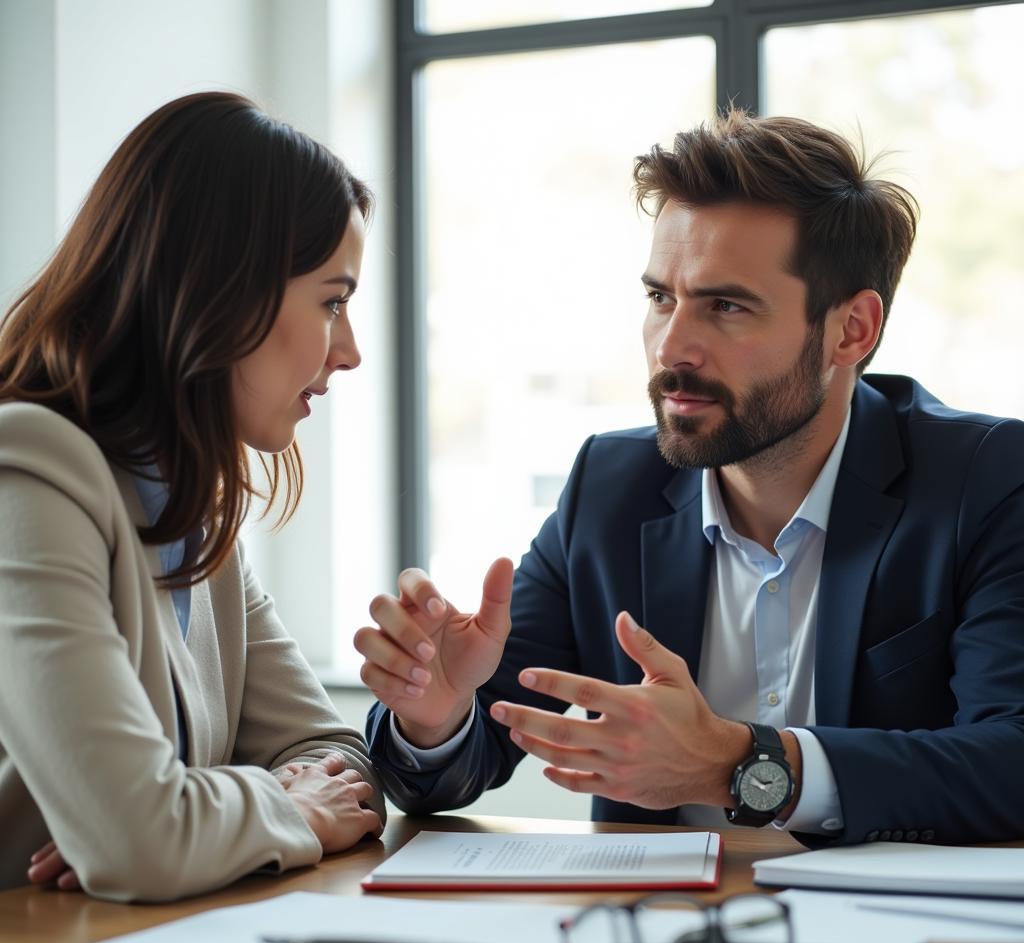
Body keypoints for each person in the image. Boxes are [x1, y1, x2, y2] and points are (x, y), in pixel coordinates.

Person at [356, 108, 1024, 847]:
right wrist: (435, 712)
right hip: (657, 942)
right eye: (660, 298)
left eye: (727, 306)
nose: (672, 346)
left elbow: (1012, 761)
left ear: (851, 329)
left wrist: (742, 766)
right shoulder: (610, 486)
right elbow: (447, 773)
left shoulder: (984, 482)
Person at [0, 92, 385, 901]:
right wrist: (187, 821)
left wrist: (192, 823)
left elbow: (340, 761)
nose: (348, 352)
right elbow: (140, 841)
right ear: (224, 289)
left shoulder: (195, 513)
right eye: (333, 301)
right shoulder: (25, 472)